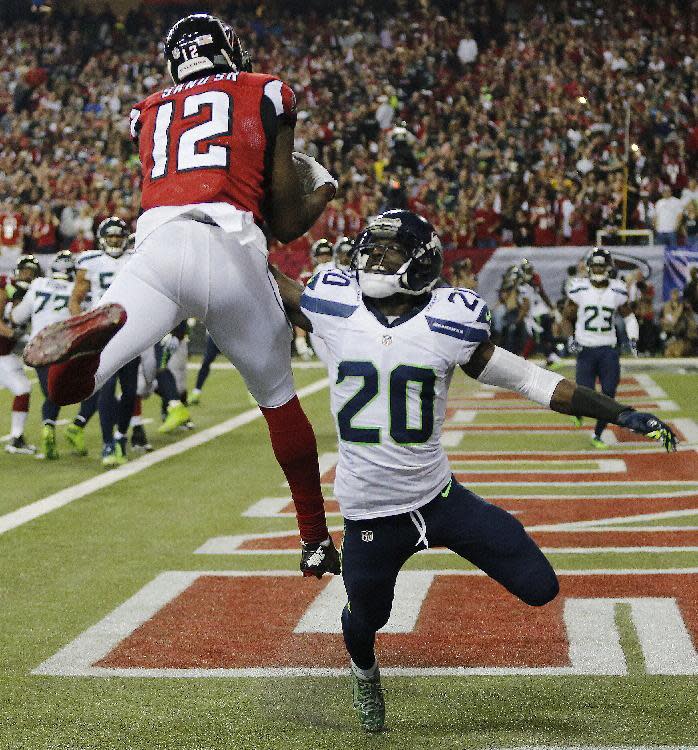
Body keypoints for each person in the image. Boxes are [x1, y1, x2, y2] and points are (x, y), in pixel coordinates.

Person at [270, 209, 676, 733]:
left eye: (388, 251)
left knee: (539, 586)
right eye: (372, 247)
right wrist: (230, 231)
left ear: (419, 263)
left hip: (440, 500)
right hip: (371, 512)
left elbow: (532, 380)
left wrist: (617, 412)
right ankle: (365, 674)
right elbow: (270, 281)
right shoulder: (333, 304)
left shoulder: (449, 321)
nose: (372, 258)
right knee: (368, 619)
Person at [24, 13, 340, 575]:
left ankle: (83, 339)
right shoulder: (267, 91)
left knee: (74, 386)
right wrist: (326, 189)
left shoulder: (146, 112)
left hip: (157, 248)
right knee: (278, 399)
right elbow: (288, 223)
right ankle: (314, 538)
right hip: (229, 251)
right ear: (229, 50)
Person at [68, 216, 142, 467]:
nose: (114, 241)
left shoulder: (136, 258)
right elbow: (76, 299)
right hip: (102, 332)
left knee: (131, 389)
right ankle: (108, 442)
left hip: (131, 329)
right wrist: (83, 325)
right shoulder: (90, 262)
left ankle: (121, 436)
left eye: (117, 237)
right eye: (110, 237)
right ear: (102, 239)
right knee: (107, 388)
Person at [565, 248, 640, 448]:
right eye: (595, 265)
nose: (598, 268)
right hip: (586, 348)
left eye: (601, 265)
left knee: (609, 395)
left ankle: (597, 434)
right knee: (585, 392)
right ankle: (578, 411)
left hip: (608, 349)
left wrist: (633, 337)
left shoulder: (617, 290)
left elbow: (629, 316)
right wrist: (570, 337)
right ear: (590, 267)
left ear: (609, 268)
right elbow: (567, 316)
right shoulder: (579, 288)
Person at [10, 250, 75, 459]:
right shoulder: (75, 288)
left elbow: (18, 317)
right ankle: (60, 425)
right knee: (61, 391)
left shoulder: (38, 286)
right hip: (61, 347)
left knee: (51, 392)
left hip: (37, 347)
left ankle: (49, 426)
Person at [0, 255, 41, 455]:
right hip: (2, 353)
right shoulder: (5, 290)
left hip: (6, 353)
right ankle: (16, 439)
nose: (27, 275)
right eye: (25, 271)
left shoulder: (33, 294)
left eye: (31, 272)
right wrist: (15, 334)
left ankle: (17, 437)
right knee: (23, 388)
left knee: (22, 388)